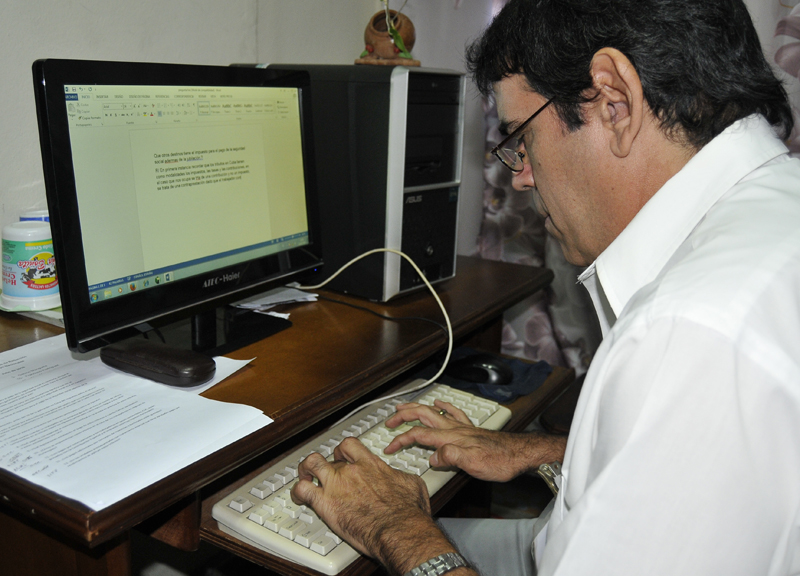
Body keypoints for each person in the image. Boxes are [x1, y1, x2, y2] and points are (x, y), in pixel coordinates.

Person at [291, 0, 800, 574]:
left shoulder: (689, 336)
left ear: (614, 102)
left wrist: (394, 527)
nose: (521, 176)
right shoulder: (778, 205)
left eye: (522, 136)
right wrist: (547, 452)